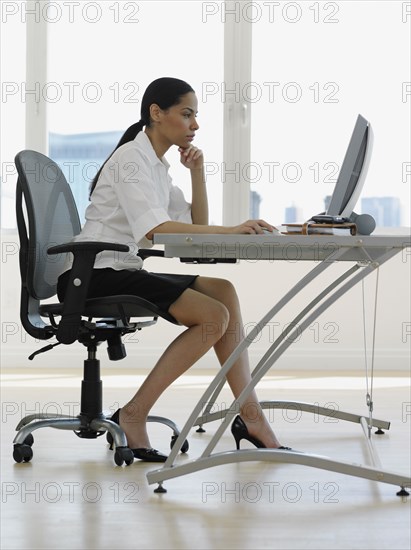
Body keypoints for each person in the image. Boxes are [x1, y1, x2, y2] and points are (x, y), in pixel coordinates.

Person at [57, 77, 290, 462]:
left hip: (120, 266)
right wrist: (231, 230)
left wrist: (196, 172)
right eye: (187, 114)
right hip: (92, 275)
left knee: (223, 290)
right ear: (156, 113)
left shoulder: (156, 167)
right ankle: (133, 413)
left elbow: (196, 221)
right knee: (213, 317)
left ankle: (250, 416)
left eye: (195, 116)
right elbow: (155, 229)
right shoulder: (131, 159)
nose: (194, 125)